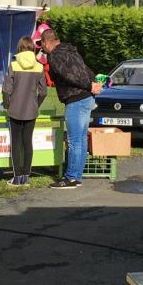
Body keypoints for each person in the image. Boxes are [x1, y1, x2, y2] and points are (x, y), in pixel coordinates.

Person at [41, 29, 102, 189]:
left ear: (46, 43)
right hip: (87, 98)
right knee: (81, 139)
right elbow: (85, 70)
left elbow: (70, 75)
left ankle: (71, 178)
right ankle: (77, 176)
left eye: (42, 44)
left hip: (75, 99)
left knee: (74, 140)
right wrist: (94, 83)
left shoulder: (54, 56)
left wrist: (89, 85)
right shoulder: (71, 50)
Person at [2, 36, 47, 186]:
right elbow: (43, 92)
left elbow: (6, 90)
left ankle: (17, 177)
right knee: (28, 142)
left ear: (19, 48)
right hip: (31, 110)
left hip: (15, 109)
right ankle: (26, 177)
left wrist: (7, 105)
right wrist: (36, 104)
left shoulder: (13, 65)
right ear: (33, 48)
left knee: (15, 143)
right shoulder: (39, 66)